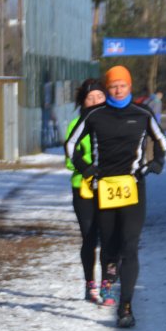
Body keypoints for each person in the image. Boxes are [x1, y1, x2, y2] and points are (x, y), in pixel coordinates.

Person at [65, 66, 166, 328]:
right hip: (105, 188)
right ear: (107, 88)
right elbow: (70, 145)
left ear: (129, 87)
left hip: (133, 187)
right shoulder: (94, 115)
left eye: (122, 85)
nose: (118, 90)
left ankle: (126, 307)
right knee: (110, 246)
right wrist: (86, 168)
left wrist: (156, 163)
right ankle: (106, 279)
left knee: (130, 246)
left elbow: (161, 141)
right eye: (113, 86)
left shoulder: (142, 113)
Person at [65, 79, 116, 305]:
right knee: (89, 237)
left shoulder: (114, 121)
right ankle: (89, 283)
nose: (95, 101)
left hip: (109, 187)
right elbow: (69, 160)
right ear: (82, 102)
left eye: (100, 96)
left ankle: (107, 285)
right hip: (83, 188)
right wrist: (89, 167)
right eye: (90, 98)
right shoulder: (75, 124)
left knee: (110, 237)